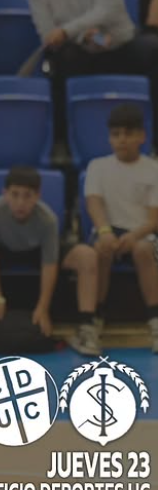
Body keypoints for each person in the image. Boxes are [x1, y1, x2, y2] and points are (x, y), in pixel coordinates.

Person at [0, 167, 101, 355]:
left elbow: (50, 264)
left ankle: (86, 327)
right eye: (14, 195)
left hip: (37, 252)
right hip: (3, 252)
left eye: (27, 196)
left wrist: (42, 309)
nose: (20, 203)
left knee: (86, 256)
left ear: (37, 196)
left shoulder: (48, 219)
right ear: (5, 194)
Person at [26, 0, 158, 140]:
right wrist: (83, 36)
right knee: (59, 58)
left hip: (120, 47)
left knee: (153, 48)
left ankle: (154, 136)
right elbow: (48, 34)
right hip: (80, 53)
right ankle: (65, 142)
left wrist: (68, 30)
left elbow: (108, 9)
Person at [85, 104, 158, 352]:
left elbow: (154, 219)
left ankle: (155, 319)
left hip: (143, 232)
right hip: (108, 229)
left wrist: (134, 235)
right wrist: (105, 232)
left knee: (143, 251)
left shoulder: (153, 170)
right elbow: (94, 205)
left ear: (142, 137)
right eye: (116, 134)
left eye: (128, 134)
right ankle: (95, 319)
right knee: (101, 250)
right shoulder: (98, 166)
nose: (122, 140)